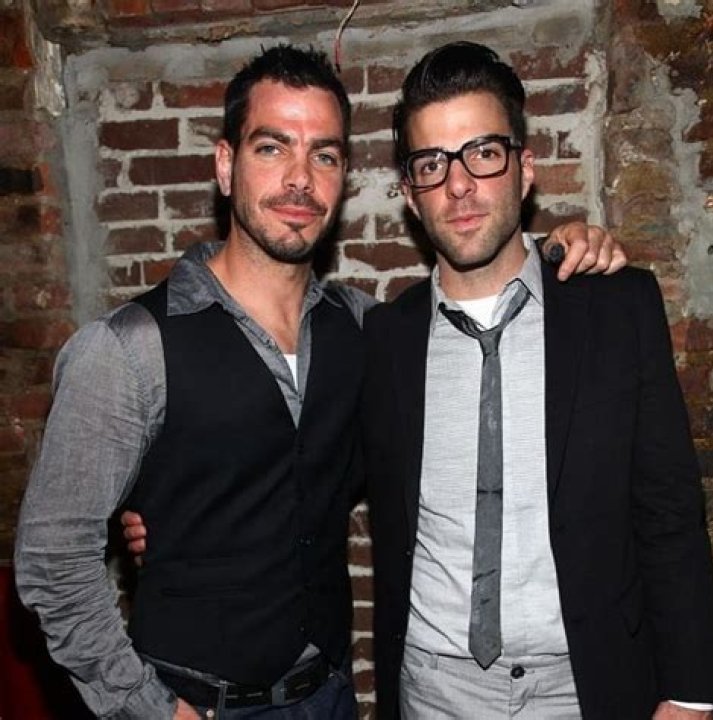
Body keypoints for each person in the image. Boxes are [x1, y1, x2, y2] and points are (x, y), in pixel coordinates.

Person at [15, 44, 621, 720]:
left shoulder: (364, 331)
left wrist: (559, 246)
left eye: (325, 156)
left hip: (330, 697)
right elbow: (52, 562)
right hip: (195, 702)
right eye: (272, 148)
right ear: (225, 165)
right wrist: (149, 709)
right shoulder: (127, 349)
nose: (300, 179)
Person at [362, 41, 713, 720]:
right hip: (434, 692)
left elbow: (670, 512)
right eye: (432, 163)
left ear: (525, 170)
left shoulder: (616, 310)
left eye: (483, 152)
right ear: (409, 194)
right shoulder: (384, 340)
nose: (459, 184)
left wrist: (692, 693)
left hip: (587, 687)